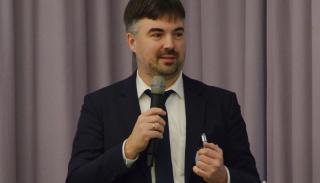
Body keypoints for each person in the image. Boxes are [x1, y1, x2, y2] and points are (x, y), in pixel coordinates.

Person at [66, 0, 260, 182]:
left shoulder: (221, 104)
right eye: (157, 34)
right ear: (132, 42)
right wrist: (128, 150)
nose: (170, 44)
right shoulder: (100, 105)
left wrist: (224, 176)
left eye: (178, 34)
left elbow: (250, 178)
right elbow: (76, 179)